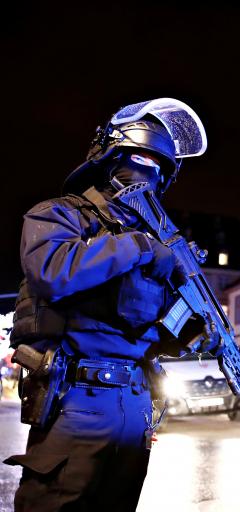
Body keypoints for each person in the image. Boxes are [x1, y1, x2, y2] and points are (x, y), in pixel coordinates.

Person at [4, 98, 207, 511]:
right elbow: (51, 271)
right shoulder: (61, 215)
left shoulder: (159, 253)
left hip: (135, 405)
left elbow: (158, 335)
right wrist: (138, 246)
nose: (147, 171)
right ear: (110, 157)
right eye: (138, 157)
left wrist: (196, 328)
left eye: (159, 166)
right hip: (76, 399)